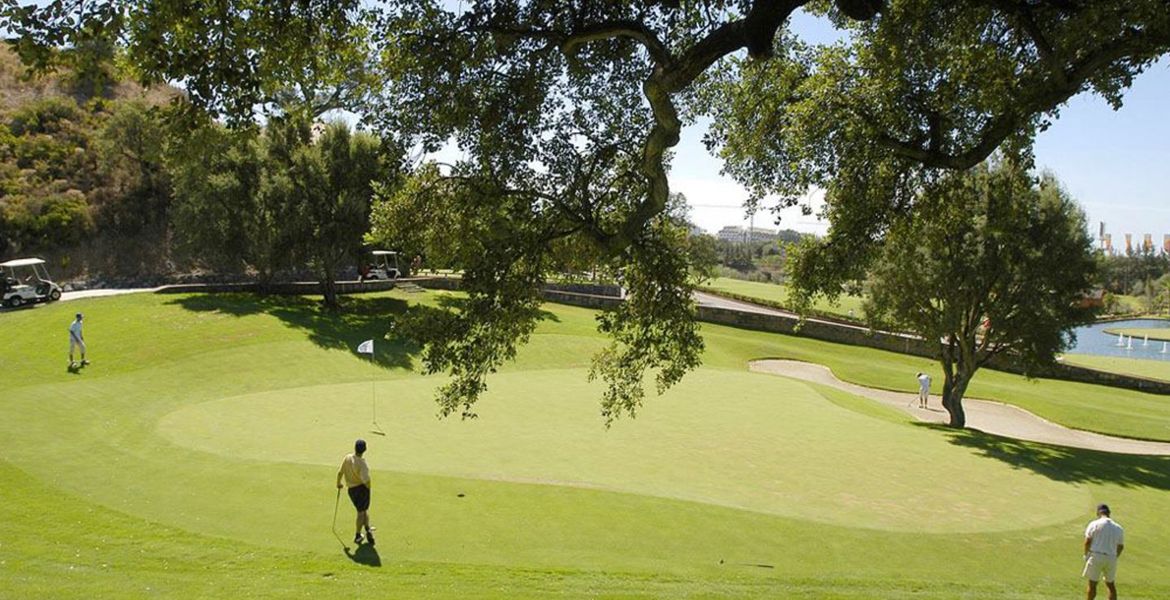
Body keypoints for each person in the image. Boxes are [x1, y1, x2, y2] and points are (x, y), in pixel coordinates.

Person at [336, 438, 374, 546]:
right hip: (361, 489)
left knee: (364, 509)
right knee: (361, 513)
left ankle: (367, 528)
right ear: (365, 449)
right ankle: (358, 535)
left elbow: (340, 473)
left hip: (351, 490)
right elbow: (366, 481)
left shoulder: (347, 458)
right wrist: (369, 488)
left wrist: (338, 484)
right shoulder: (362, 464)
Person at [1083, 503, 1124, 600]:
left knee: (1092, 584)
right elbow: (1121, 546)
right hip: (1111, 557)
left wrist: (1086, 554)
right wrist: (1115, 556)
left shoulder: (1094, 524)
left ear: (1098, 513)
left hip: (1096, 555)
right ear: (1109, 513)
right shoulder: (1118, 527)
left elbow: (1087, 541)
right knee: (1110, 584)